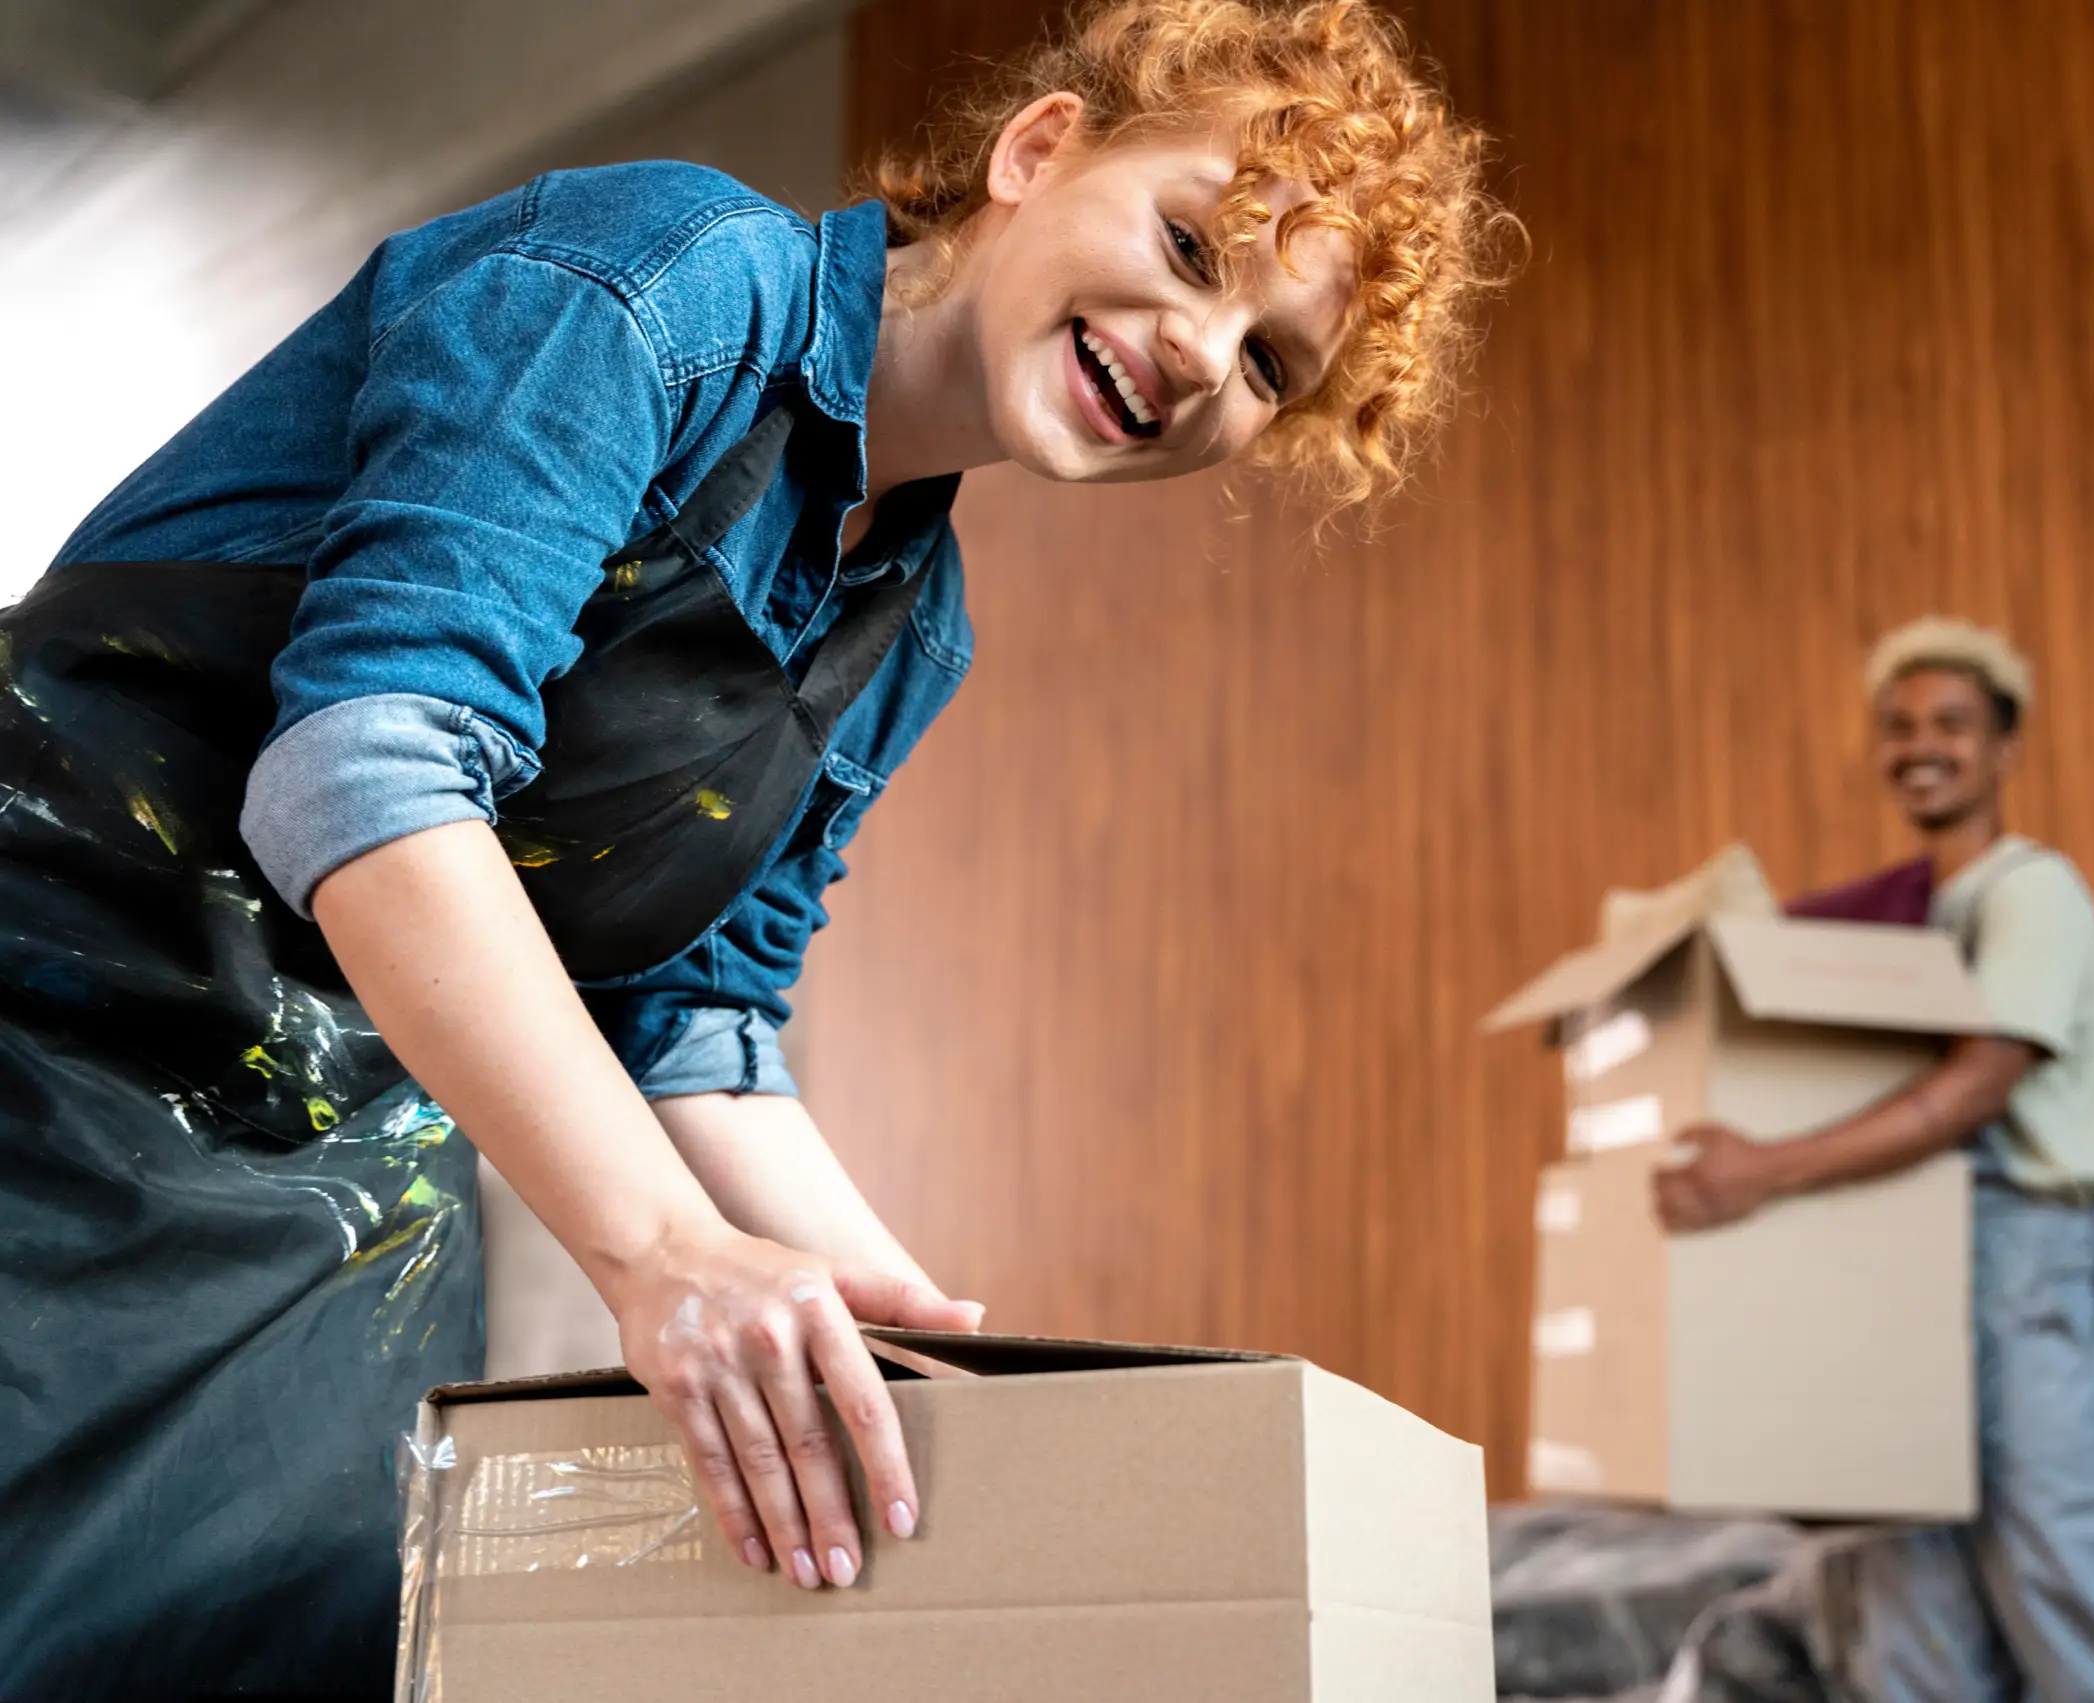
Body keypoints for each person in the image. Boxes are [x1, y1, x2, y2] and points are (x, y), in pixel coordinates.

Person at [0, 3, 1514, 1695]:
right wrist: (666, 1257)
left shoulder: (906, 631)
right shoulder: (662, 279)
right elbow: (362, 767)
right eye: (1186, 245)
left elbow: (697, 1021)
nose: (1192, 348)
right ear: (1036, 152)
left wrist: (937, 1357)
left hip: (327, 1179)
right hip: (44, 1029)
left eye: (1266, 366)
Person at [1651, 617, 2094, 1703]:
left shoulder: (2027, 893)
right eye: (1898, 725)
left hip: (2021, 1274)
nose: (1921, 744)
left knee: (2069, 1625)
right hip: (1904, 1274)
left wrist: (1760, 1168)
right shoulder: (1904, 916)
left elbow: (1973, 1083)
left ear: (2004, 748)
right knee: (1908, 1638)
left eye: (1951, 723)